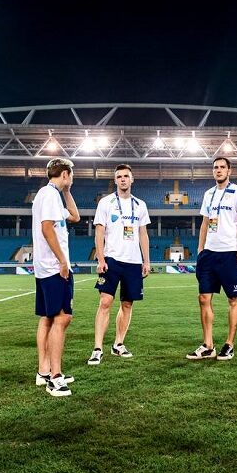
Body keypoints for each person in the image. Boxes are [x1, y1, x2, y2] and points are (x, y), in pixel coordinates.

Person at [187, 157, 237, 361]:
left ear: (229, 171)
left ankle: (229, 344)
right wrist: (200, 250)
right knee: (203, 298)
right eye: (215, 167)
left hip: (229, 253)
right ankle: (208, 345)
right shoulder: (208, 194)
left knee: (232, 299)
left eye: (222, 167)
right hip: (209, 254)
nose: (218, 170)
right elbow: (205, 223)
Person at [88, 164, 151, 365]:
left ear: (132, 179)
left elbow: (143, 234)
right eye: (119, 176)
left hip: (133, 261)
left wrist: (146, 261)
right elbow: (99, 232)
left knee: (127, 303)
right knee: (105, 302)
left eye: (126, 176)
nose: (123, 179)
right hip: (112, 259)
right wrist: (100, 259)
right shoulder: (106, 202)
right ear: (115, 180)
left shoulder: (140, 205)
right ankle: (97, 348)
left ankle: (118, 344)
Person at [32, 158, 81, 396]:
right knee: (63, 318)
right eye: (70, 175)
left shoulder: (48, 194)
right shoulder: (50, 195)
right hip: (54, 267)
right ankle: (55, 377)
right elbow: (47, 228)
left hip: (44, 267)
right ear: (65, 174)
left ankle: (44, 371)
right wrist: (62, 261)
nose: (71, 179)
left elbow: (75, 216)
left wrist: (68, 191)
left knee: (48, 318)